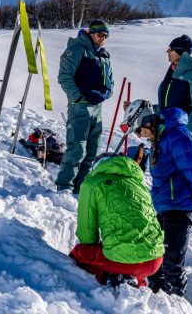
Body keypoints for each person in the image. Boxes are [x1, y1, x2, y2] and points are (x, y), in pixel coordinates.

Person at [136, 106, 192, 296]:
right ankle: (157, 300)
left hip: (181, 207)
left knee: (171, 264)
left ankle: (175, 304)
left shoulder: (177, 136)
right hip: (166, 208)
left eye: (140, 130)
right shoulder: (161, 138)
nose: (140, 135)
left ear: (150, 122)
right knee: (155, 258)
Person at [69, 153, 164, 287]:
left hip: (120, 261)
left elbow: (87, 234)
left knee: (80, 253)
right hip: (154, 260)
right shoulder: (139, 185)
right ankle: (137, 282)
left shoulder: (92, 184)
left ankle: (108, 278)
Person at [56, 19, 114, 193]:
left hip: (97, 108)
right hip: (80, 106)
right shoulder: (76, 50)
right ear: (90, 33)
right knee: (77, 148)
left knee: (92, 150)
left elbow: (111, 81)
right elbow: (64, 76)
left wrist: (106, 94)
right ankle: (64, 186)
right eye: (99, 34)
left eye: (105, 36)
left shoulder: (103, 56)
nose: (102, 39)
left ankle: (81, 187)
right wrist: (78, 97)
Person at [158, 35, 192, 136]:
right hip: (166, 129)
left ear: (180, 52)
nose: (167, 51)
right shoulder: (173, 71)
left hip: (182, 134)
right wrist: (143, 108)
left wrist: (184, 132)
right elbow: (168, 104)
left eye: (170, 49)